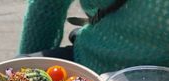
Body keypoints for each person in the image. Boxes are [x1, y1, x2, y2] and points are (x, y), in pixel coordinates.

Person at [19, 0, 169, 74]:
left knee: (16, 66)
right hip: (90, 51)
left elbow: (47, 8)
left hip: (90, 57)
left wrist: (27, 71)